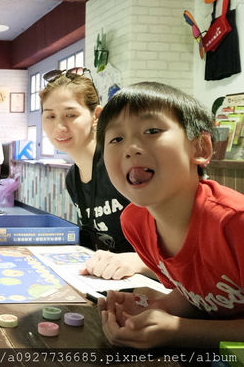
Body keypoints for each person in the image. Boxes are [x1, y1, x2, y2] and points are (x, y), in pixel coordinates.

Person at [96, 82, 244, 348]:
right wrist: (158, 306)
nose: (131, 148)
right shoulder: (135, 223)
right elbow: (199, 294)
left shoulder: (235, 223)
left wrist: (178, 329)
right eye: (116, 139)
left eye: (152, 131)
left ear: (200, 149)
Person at [39, 69, 151, 280]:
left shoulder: (122, 163)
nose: (59, 127)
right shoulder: (73, 178)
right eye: (50, 116)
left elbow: (179, 246)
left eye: (71, 115)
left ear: (96, 116)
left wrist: (136, 261)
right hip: (109, 282)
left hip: (151, 282)